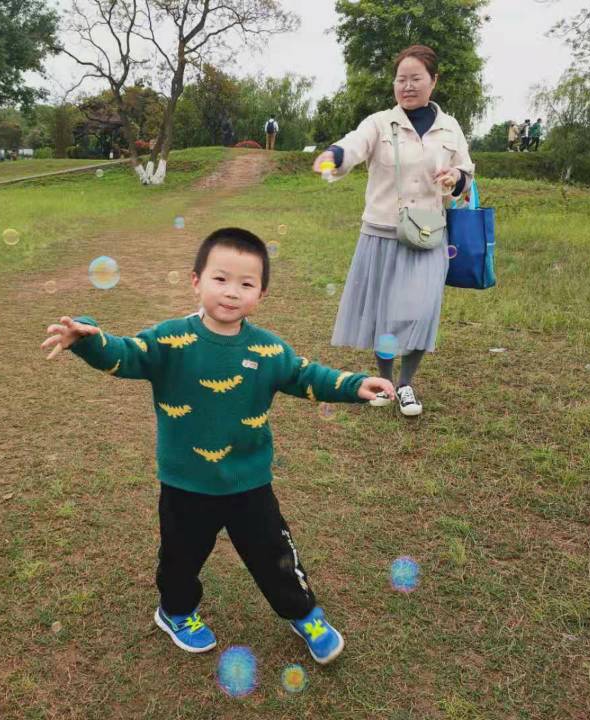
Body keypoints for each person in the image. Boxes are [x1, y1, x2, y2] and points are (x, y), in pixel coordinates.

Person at [41, 227, 395, 664]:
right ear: (196, 281)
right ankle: (176, 611)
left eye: (246, 284)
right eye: (220, 279)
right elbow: (125, 354)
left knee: (275, 553)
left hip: (249, 481)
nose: (232, 293)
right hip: (185, 482)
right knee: (180, 557)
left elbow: (307, 376)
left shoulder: (268, 350)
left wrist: (356, 385)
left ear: (261, 294)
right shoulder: (170, 340)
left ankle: (304, 613)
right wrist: (90, 341)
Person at [312, 45, 475, 417]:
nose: (407, 86)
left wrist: (457, 177)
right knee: (383, 316)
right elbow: (353, 145)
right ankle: (386, 383)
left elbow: (467, 171)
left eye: (416, 78)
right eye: (401, 79)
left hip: (430, 234)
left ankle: (407, 383)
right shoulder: (379, 122)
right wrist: (334, 156)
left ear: (434, 81)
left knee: (421, 309)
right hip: (382, 232)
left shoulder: (450, 127)